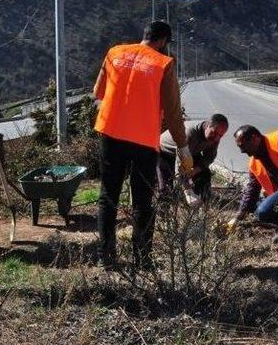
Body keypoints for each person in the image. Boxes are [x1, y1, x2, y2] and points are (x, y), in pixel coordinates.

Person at [93, 20, 193, 269]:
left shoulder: (115, 52)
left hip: (111, 134)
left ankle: (106, 258)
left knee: (108, 197)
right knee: (142, 202)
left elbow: (99, 92)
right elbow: (172, 113)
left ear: (145, 35)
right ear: (162, 41)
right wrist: (183, 148)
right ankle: (142, 260)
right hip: (143, 142)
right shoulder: (163, 64)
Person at [158, 114, 229, 202]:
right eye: (213, 133)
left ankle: (202, 200)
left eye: (220, 136)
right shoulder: (189, 133)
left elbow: (209, 157)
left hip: (190, 152)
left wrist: (195, 170)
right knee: (166, 187)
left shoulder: (215, 137)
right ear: (207, 125)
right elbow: (180, 163)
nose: (216, 138)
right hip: (165, 152)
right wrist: (187, 190)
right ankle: (164, 208)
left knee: (204, 174)